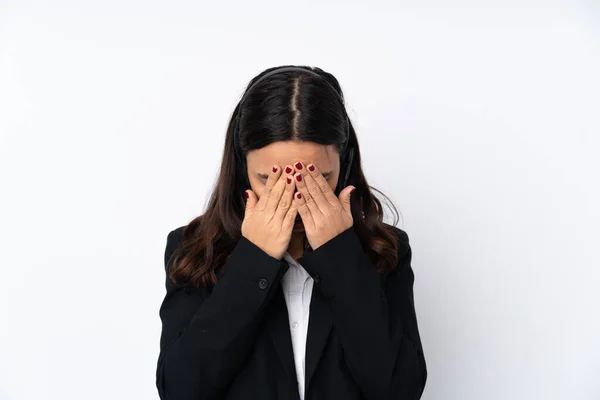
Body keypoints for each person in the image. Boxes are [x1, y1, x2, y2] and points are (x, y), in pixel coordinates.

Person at [156, 65, 427, 400]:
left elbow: (400, 391)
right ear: (242, 169)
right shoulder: (193, 249)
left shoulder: (385, 250)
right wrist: (254, 260)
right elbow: (181, 391)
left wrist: (340, 258)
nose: (295, 197)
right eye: (269, 180)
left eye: (319, 178)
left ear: (344, 166)